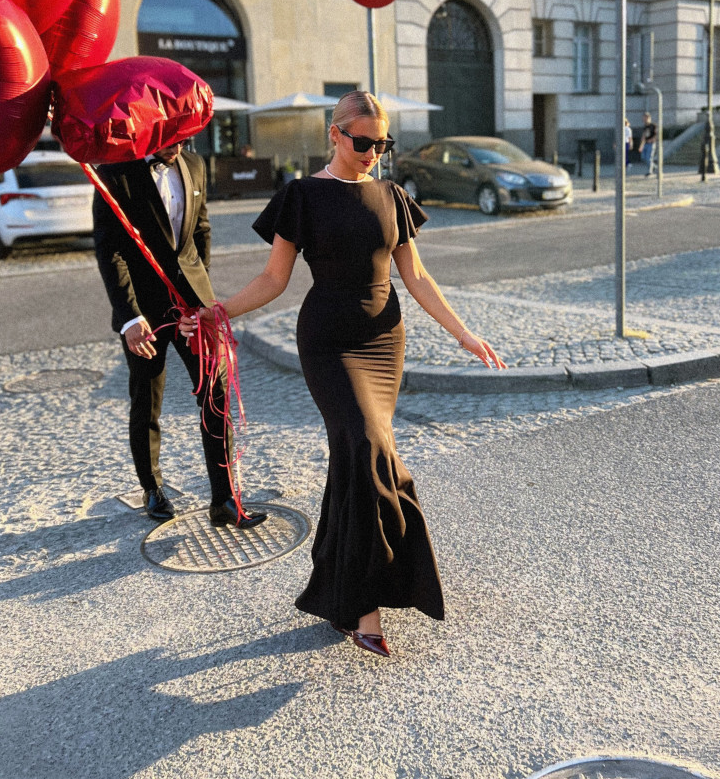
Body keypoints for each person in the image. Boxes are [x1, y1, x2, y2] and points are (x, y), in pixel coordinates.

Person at [180, 91, 506, 658]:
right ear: (334, 135)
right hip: (329, 343)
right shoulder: (302, 196)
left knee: (357, 457)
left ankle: (341, 588)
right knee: (365, 444)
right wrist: (219, 310)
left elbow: (418, 277)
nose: (373, 153)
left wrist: (464, 334)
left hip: (385, 342)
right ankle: (364, 603)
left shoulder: (392, 196)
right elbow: (274, 279)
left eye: (382, 143)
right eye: (362, 142)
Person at [92, 141, 267, 529]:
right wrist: (129, 317)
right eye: (170, 139)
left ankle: (224, 500)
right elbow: (110, 251)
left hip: (194, 308)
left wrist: (201, 297)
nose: (178, 147)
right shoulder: (114, 172)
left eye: (185, 139)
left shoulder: (194, 163)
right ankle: (152, 487)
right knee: (147, 397)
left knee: (215, 394)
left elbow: (200, 229)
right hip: (144, 313)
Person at [638, 111, 657, 176]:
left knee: (648, 158)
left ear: (648, 118)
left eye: (645, 118)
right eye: (643, 118)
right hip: (645, 144)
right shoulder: (645, 126)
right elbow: (644, 135)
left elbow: (656, 135)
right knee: (643, 157)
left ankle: (650, 171)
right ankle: (654, 167)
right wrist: (641, 145)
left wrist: (652, 140)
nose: (644, 119)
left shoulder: (653, 126)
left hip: (651, 144)